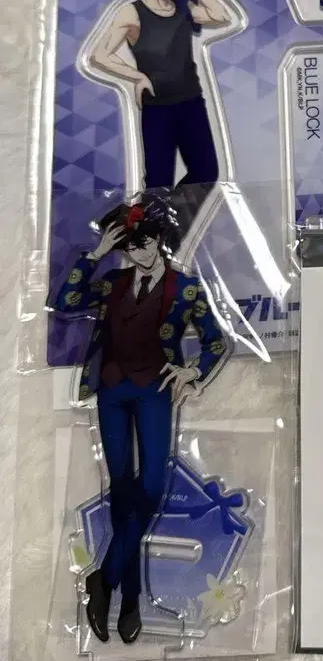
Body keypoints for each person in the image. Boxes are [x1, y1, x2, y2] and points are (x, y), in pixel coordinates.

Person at [53, 198, 229, 644]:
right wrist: (96, 253)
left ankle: (105, 578)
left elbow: (215, 341)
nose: (139, 251)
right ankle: (129, 599)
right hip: (112, 390)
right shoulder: (112, 283)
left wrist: (192, 371)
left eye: (145, 242)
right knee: (122, 492)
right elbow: (65, 300)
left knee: (151, 486)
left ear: (159, 239)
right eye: (129, 246)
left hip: (155, 390)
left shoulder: (185, 287)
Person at [88, 0, 231, 189]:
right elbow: (99, 55)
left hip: (192, 102)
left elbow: (222, 16)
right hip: (157, 108)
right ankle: (152, 213)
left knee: (206, 172)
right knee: (158, 182)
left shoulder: (184, 8)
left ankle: (167, 215)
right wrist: (137, 76)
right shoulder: (132, 12)